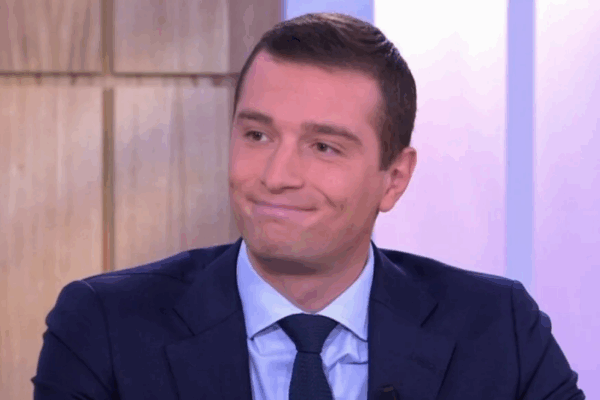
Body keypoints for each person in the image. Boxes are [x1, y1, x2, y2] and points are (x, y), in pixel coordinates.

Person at [33, 12, 585, 400]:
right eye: (257, 135)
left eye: (323, 147)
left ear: (394, 179)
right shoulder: (104, 327)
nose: (276, 177)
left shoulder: (500, 331)